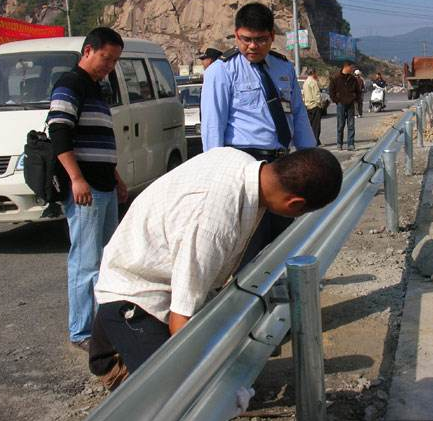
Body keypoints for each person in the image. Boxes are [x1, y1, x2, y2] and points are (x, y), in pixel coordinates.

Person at [89, 147, 342, 377]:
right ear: (295, 204)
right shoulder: (214, 224)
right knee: (175, 390)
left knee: (220, 356)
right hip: (137, 290)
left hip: (151, 265)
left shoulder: (239, 161)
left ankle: (112, 345)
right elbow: (181, 319)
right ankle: (111, 361)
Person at [201, 2, 316, 265]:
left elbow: (298, 115)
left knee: (283, 232)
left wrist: (310, 158)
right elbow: (213, 125)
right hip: (245, 163)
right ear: (236, 35)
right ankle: (249, 287)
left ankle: (284, 284)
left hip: (281, 161)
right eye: (246, 39)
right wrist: (214, 176)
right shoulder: (221, 71)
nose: (252, 46)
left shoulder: (283, 68)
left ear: (272, 37)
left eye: (261, 40)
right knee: (249, 238)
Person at [46, 27, 129, 351]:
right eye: (106, 58)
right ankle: (81, 332)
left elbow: (100, 142)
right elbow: (59, 133)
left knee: (107, 260)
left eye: (114, 61)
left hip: (103, 184)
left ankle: (103, 326)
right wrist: (76, 179)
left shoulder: (97, 89)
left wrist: (116, 177)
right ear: (88, 51)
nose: (109, 66)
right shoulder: (70, 84)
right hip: (86, 188)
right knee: (86, 261)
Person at [329, 60, 361, 151]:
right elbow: (331, 91)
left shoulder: (353, 79)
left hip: (351, 104)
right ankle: (339, 143)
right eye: (351, 67)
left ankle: (351, 144)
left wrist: (355, 99)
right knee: (340, 125)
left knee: (351, 125)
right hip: (341, 104)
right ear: (346, 67)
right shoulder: (336, 78)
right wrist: (337, 101)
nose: (352, 69)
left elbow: (358, 91)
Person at [303, 68, 322, 146]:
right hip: (314, 105)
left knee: (310, 125)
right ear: (313, 73)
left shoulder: (305, 82)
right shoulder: (313, 82)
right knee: (316, 126)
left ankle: (311, 140)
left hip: (307, 106)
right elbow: (317, 95)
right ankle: (315, 141)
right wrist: (320, 104)